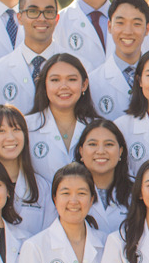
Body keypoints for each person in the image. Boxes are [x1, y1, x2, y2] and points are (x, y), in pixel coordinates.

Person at [24, 53, 100, 184]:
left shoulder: (99, 128)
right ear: (44, 85)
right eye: (55, 80)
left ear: (84, 84)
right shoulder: (26, 126)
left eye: (71, 79)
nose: (63, 86)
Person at [0, 0, 64, 113]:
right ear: (19, 18)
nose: (41, 18)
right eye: (33, 11)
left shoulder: (78, 66)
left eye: (49, 12)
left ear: (57, 19)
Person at [0, 104, 49, 232]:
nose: (10, 138)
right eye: (1, 131)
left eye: (16, 129)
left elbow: (48, 238)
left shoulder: (42, 187)